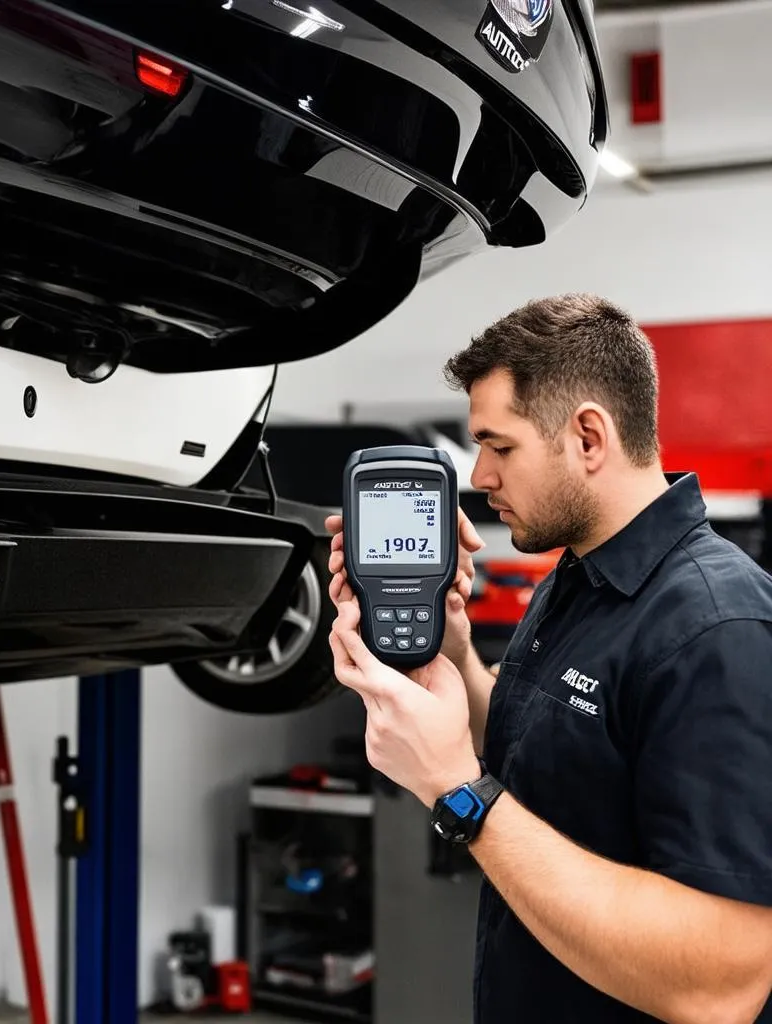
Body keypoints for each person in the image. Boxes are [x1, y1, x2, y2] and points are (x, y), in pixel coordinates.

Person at [324, 294, 772, 1024]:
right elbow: (540, 751)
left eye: (500, 447)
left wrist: (456, 792)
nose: (481, 477)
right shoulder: (577, 581)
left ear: (588, 436)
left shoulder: (719, 630)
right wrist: (455, 658)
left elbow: (721, 986)